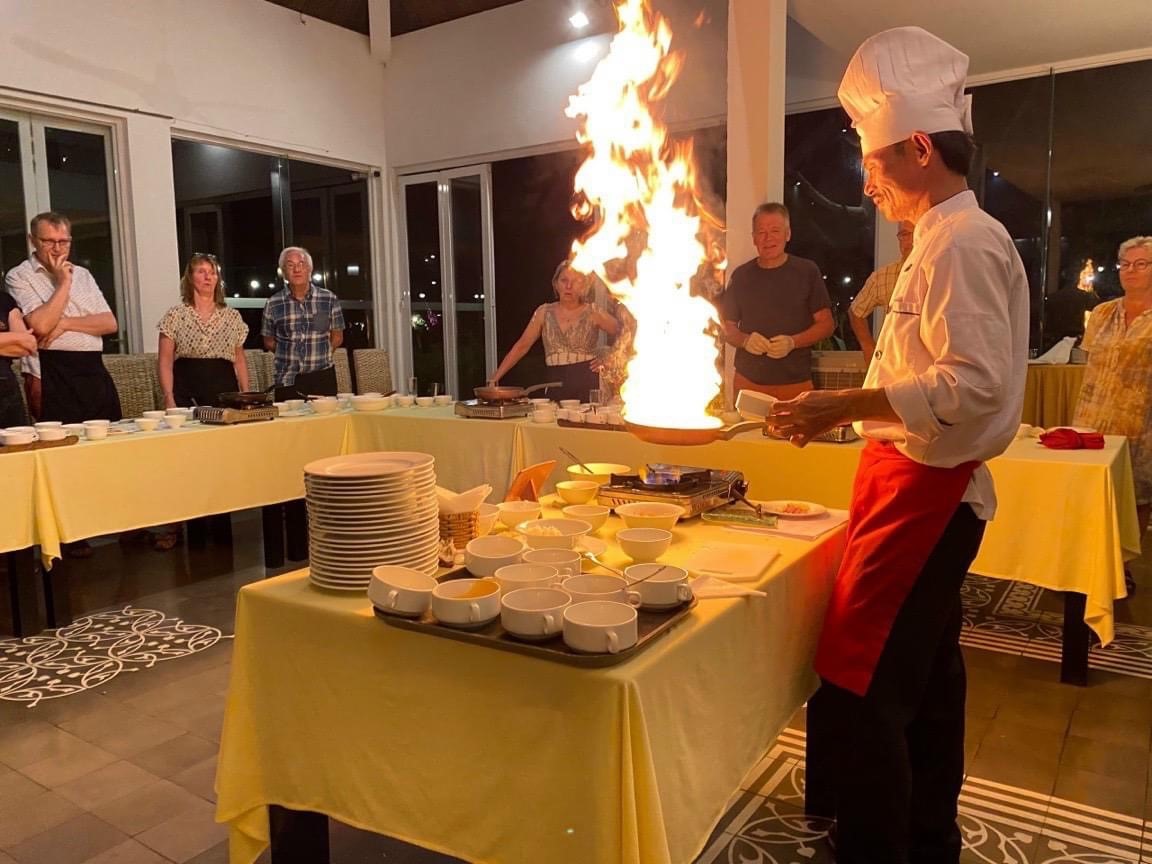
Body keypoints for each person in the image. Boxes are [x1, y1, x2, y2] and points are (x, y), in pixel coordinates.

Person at [765, 27, 1029, 863]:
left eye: (874, 161)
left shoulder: (966, 241)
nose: (865, 178)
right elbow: (923, 378)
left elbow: (975, 387)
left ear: (920, 147)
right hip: (906, 485)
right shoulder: (933, 243)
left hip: (931, 496)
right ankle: (928, 839)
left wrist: (847, 401)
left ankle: (879, 847)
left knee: (868, 685)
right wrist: (847, 414)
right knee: (929, 684)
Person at [1073, 236, 1152, 577]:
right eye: (1126, 265)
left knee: (1135, 498)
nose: (1131, 271)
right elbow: (1088, 361)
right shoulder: (1103, 312)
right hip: (1093, 419)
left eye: (1141, 264)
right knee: (1089, 494)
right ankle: (1087, 563)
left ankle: (1123, 568)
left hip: (1141, 424)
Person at [5, 211, 121, 424]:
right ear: (33, 240)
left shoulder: (83, 274)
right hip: (53, 370)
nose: (57, 249)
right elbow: (41, 325)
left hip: (94, 369)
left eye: (63, 242)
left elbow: (109, 322)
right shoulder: (19, 275)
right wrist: (64, 282)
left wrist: (65, 324)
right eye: (48, 241)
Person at [719, 203, 834, 400]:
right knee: (745, 431)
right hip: (748, 382)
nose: (768, 238)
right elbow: (726, 327)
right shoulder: (741, 276)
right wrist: (745, 341)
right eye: (761, 232)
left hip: (795, 383)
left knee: (794, 431)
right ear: (754, 237)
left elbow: (827, 324)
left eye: (775, 231)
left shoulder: (807, 272)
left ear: (787, 234)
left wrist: (793, 342)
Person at [490, 261, 620, 402]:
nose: (569, 286)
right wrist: (495, 378)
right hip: (555, 383)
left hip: (587, 382)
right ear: (556, 284)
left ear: (583, 286)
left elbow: (627, 335)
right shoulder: (544, 312)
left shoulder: (593, 312)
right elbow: (522, 346)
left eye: (575, 281)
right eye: (564, 280)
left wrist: (610, 357)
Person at [158, 253, 250, 408]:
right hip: (186, 390)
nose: (208, 277)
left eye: (212, 273)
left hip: (224, 390)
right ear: (191, 278)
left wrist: (246, 393)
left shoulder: (232, 317)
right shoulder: (175, 315)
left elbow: (239, 360)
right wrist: (168, 396)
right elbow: (165, 361)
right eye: (201, 271)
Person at [261, 246, 344, 397]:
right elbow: (269, 341)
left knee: (326, 420)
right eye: (290, 265)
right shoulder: (273, 303)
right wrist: (290, 355)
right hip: (288, 379)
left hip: (322, 377)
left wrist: (322, 354)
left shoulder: (329, 299)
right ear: (284, 272)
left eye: (301, 264)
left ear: (309, 269)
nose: (297, 269)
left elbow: (337, 337)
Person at [849, 220, 914, 357]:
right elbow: (856, 312)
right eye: (905, 234)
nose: (912, 240)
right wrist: (869, 350)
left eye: (917, 233)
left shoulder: (942, 274)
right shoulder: (883, 276)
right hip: (894, 365)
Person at [0, 285, 37, 427]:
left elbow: (27, 344)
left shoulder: (4, 300)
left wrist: (16, 340)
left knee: (19, 446)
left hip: (5, 386)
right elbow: (19, 339)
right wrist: (12, 338)